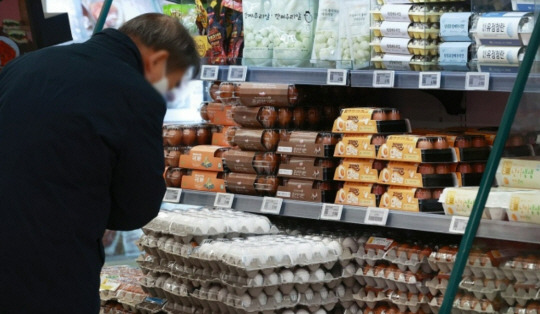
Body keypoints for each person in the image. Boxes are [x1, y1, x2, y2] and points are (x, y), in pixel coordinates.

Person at [0, 13, 199, 313]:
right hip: (54, 271)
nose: (167, 94)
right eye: (169, 84)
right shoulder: (135, 92)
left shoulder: (24, 65)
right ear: (157, 60)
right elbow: (135, 208)